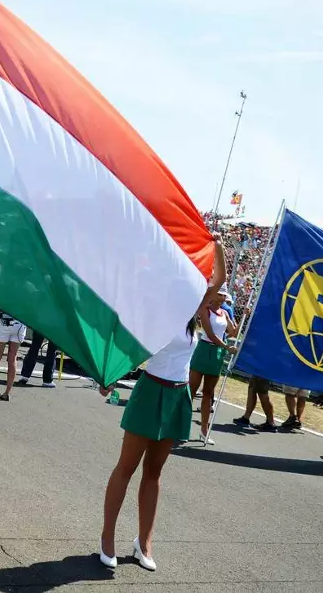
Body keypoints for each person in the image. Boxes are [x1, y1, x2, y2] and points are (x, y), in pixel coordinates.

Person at [98, 234, 226, 572]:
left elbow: (221, 280)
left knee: (153, 473)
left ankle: (144, 542)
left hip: (178, 395)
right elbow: (129, 346)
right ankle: (107, 537)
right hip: (151, 391)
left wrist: (219, 247)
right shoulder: (154, 313)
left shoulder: (194, 315)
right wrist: (110, 376)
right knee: (126, 467)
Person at [188, 283, 238, 444]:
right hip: (204, 349)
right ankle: (178, 424)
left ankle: (204, 430)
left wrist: (244, 314)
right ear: (214, 295)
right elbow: (209, 333)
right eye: (220, 294)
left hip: (217, 354)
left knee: (208, 393)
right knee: (191, 390)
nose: (222, 298)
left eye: (224, 295)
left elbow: (232, 332)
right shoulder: (205, 310)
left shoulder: (225, 313)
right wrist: (226, 347)